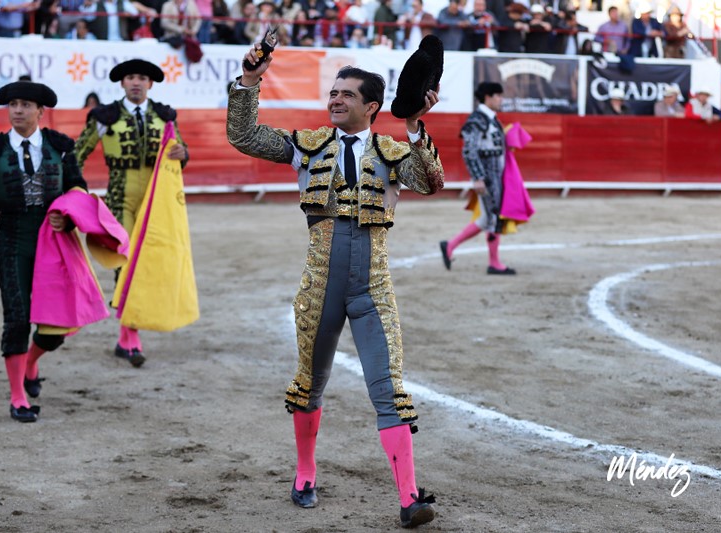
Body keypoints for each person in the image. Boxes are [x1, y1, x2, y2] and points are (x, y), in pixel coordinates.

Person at [226, 45, 444, 528]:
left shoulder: (394, 152)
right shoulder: (307, 144)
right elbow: (242, 135)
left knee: (389, 390)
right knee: (310, 384)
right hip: (319, 287)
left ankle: (409, 497)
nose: (335, 100)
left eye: (346, 94)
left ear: (372, 106)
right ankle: (306, 471)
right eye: (333, 92)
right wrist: (249, 81)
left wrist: (413, 123)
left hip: (373, 290)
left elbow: (431, 181)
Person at [0, 81, 88, 423]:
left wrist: (68, 217)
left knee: (55, 323)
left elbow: (78, 187)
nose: (17, 110)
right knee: (17, 317)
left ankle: (31, 362)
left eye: (25, 105)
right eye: (13, 104)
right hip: (12, 239)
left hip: (54, 240)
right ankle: (18, 395)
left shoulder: (60, 147)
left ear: (40, 111)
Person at [74, 59, 189, 367]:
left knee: (148, 263)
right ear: (122, 83)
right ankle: (129, 338)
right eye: (130, 78)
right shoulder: (104, 116)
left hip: (155, 202)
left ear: (150, 84)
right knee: (127, 264)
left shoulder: (165, 115)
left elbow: (181, 150)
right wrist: (73, 192)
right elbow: (77, 155)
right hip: (119, 201)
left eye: (141, 78)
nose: (136, 82)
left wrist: (183, 153)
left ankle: (129, 334)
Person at [440, 82, 530, 275]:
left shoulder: (491, 119)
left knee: (487, 218)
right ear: (487, 97)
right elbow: (469, 151)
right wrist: (478, 178)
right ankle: (493, 263)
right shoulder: (477, 121)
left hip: (497, 176)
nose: (501, 99)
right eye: (498, 95)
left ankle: (451, 246)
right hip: (488, 178)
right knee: (493, 217)